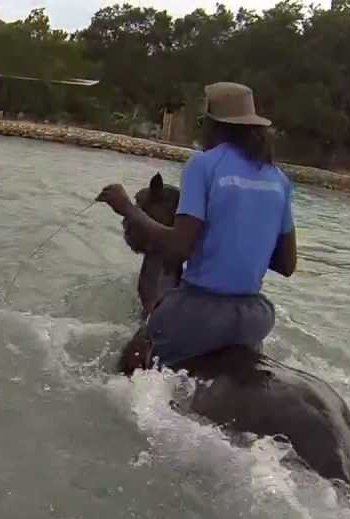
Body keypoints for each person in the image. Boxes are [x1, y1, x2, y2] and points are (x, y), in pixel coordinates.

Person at [97, 81, 297, 368]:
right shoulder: (278, 178)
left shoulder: (203, 165)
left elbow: (180, 247)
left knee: (128, 364)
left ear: (211, 124)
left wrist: (127, 208)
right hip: (255, 317)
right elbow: (287, 265)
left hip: (200, 310)